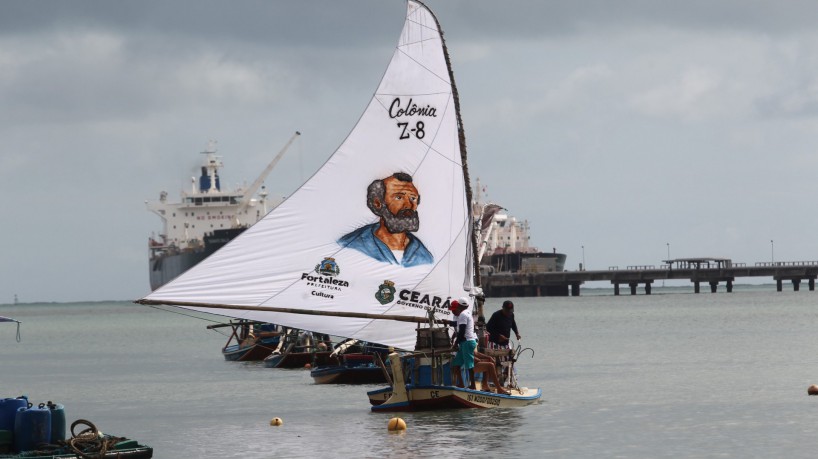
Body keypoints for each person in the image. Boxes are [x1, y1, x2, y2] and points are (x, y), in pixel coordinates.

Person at [337, 172, 433, 267]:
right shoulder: (351, 245)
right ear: (377, 203)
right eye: (399, 197)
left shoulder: (423, 255)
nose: (409, 205)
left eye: (413, 198)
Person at [449, 297, 477, 389]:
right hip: (466, 342)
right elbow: (460, 329)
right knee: (456, 364)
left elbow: (461, 332)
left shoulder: (462, 315)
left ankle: (473, 385)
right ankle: (461, 384)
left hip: (467, 342)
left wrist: (455, 343)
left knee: (469, 365)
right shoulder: (468, 313)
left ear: (459, 306)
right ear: (468, 305)